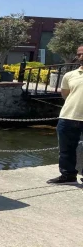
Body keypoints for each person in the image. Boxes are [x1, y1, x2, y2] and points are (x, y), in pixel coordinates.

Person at [47, 45, 83, 184]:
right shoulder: (69, 75)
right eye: (79, 54)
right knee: (65, 150)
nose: (81, 57)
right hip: (68, 116)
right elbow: (66, 94)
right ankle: (68, 175)